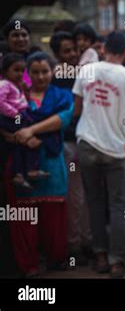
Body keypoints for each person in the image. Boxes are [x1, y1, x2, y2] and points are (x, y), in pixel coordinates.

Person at [73, 31, 125, 278]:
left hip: (87, 142)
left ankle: (100, 255)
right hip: (117, 148)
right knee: (117, 205)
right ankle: (117, 260)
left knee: (94, 202)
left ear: (103, 48)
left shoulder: (87, 71)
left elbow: (77, 108)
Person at [7, 51, 74, 277]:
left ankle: (57, 259)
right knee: (25, 216)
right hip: (22, 164)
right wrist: (18, 135)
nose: (40, 76)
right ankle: (29, 264)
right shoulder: (16, 95)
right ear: (27, 73)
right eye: (34, 72)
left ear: (52, 71)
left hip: (52, 161)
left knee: (53, 214)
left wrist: (31, 130)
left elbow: (63, 119)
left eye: (45, 71)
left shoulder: (62, 95)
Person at [49, 31, 92, 264]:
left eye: (75, 49)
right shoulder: (54, 79)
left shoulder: (85, 74)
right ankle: (75, 245)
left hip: (86, 142)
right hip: (67, 144)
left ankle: (86, 242)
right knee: (75, 196)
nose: (74, 54)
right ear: (56, 55)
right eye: (67, 51)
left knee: (86, 196)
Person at [0, 54, 47, 191]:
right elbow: (0, 102)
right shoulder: (4, 84)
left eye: (22, 70)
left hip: (17, 115)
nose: (20, 73)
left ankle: (20, 174)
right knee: (29, 138)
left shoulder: (17, 85)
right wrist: (16, 113)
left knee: (19, 146)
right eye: (16, 70)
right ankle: (30, 169)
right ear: (5, 71)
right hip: (11, 118)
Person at [1, 19, 34, 86]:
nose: (21, 39)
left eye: (24, 35)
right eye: (15, 35)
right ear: (7, 39)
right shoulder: (2, 62)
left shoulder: (36, 60)